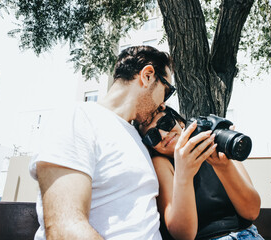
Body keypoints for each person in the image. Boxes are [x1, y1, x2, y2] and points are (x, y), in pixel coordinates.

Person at [29, 46, 175, 240]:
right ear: (147, 75)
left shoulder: (138, 138)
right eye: (167, 91)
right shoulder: (77, 118)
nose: (164, 104)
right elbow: (65, 229)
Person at [138, 106, 263, 240]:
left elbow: (251, 212)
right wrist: (184, 174)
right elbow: (183, 235)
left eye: (165, 122)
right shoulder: (162, 164)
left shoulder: (217, 145)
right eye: (152, 136)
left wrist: (224, 167)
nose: (163, 135)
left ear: (180, 122)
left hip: (247, 234)